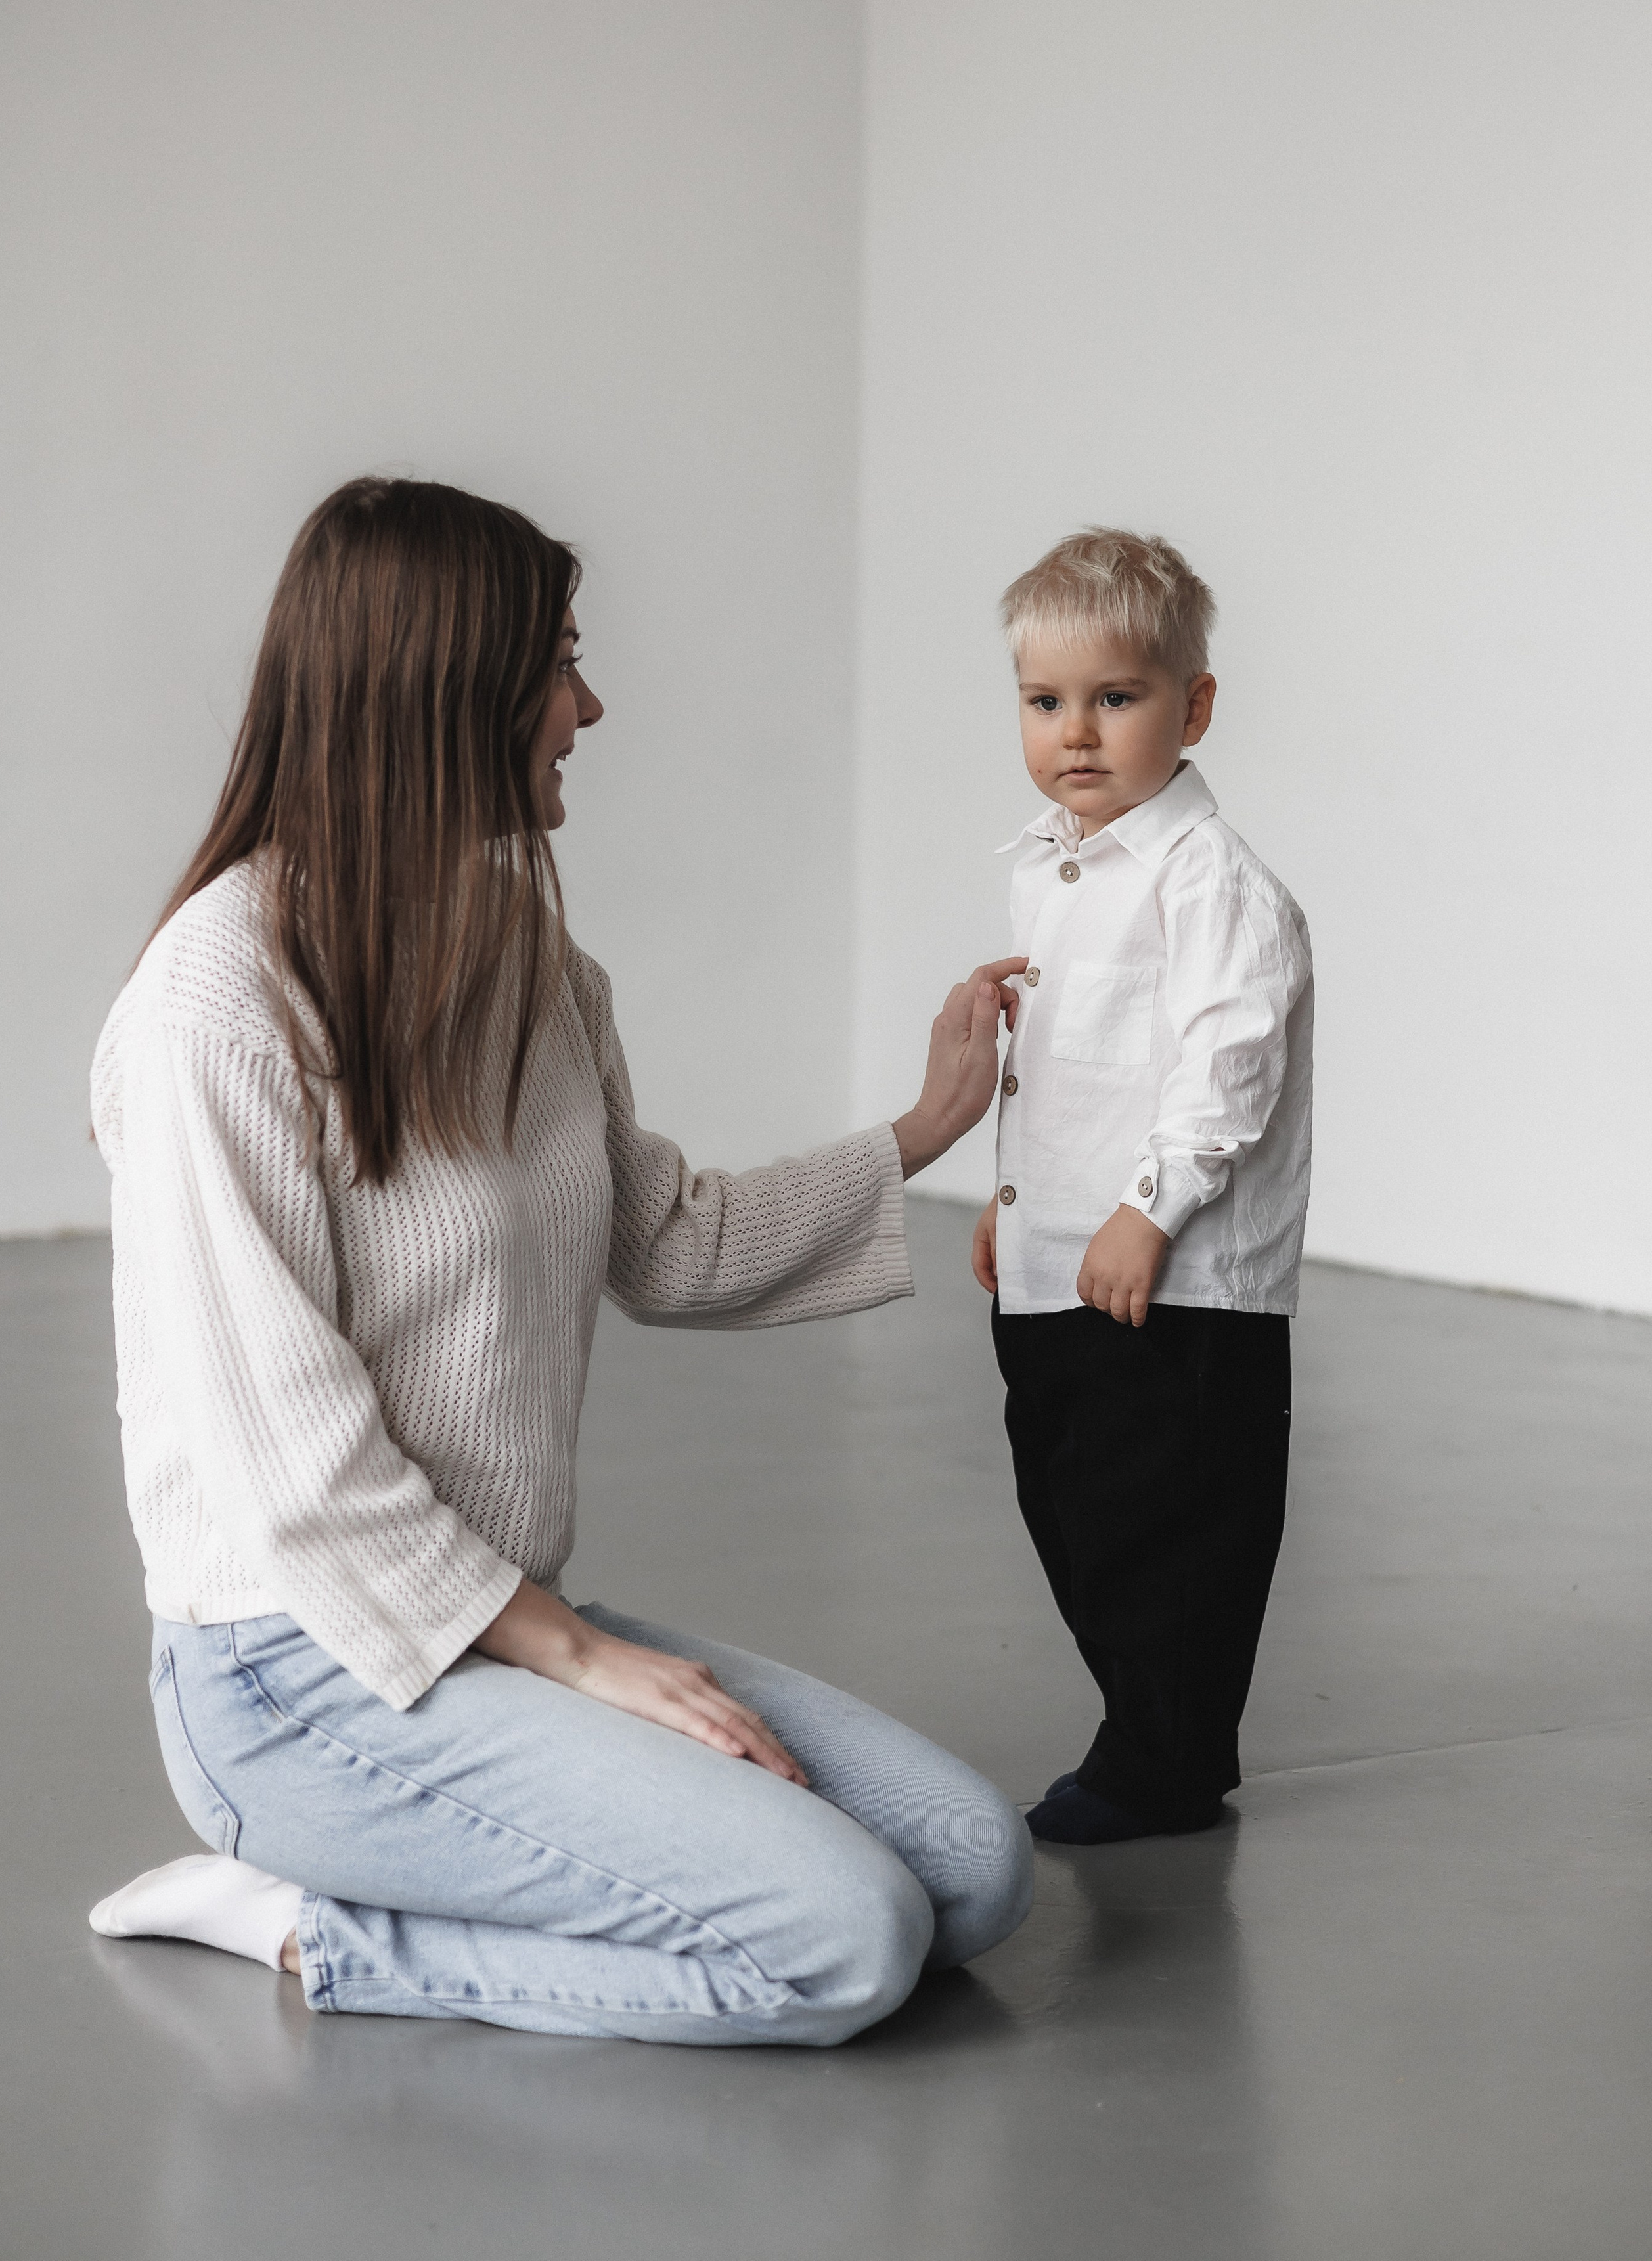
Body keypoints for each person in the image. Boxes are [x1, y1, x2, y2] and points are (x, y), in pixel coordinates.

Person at [87, 474, 1033, 2045]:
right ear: (449, 693)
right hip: (300, 1682)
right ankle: (304, 1929)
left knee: (970, 1874)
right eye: (560, 664)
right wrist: (583, 1658)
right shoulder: (212, 1011)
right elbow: (294, 1468)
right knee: (849, 1941)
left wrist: (925, 1128)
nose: (587, 706)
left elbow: (660, 1239)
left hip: (495, 1626)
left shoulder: (525, 964)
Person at [972, 529, 1313, 1846]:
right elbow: (1064, 1067)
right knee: (1071, 1501)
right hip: (1057, 1262)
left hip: (1175, 1282)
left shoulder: (1208, 882)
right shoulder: (1047, 866)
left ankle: (1164, 1757)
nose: (1076, 733)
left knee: (1170, 1519)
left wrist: (1147, 1209)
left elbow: (1230, 1062)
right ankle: (1139, 1726)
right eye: (1044, 701)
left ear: (1192, 705)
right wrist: (1014, 1215)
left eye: (1115, 698)